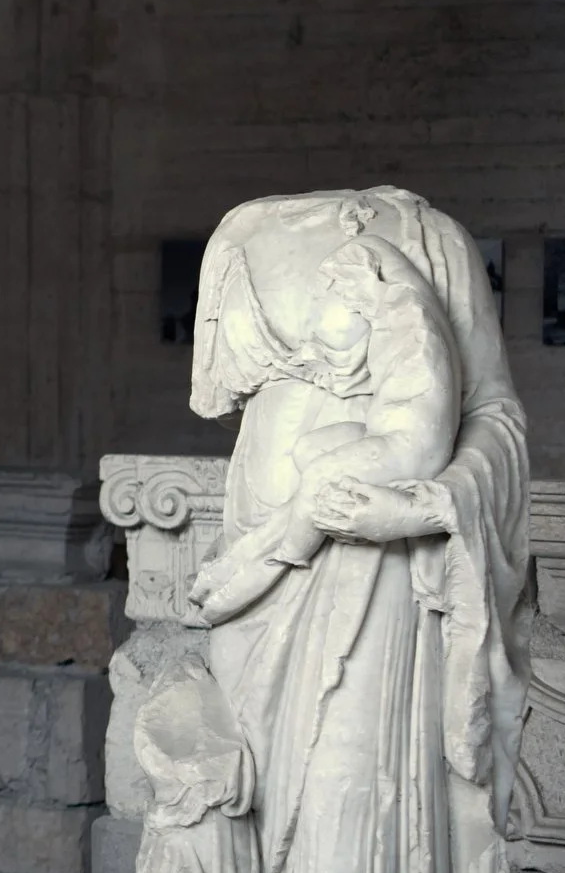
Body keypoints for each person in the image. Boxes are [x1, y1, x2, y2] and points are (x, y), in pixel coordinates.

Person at [161, 187, 527, 873]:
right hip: (264, 564)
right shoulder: (239, 231)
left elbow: (497, 422)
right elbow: (231, 408)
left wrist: (425, 506)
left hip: (372, 565)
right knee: (263, 800)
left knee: (346, 799)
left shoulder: (430, 239)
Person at [186, 234, 459, 625]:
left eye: (342, 288)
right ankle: (265, 542)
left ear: (366, 277)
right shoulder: (389, 312)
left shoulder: (408, 316)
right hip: (381, 430)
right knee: (310, 450)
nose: (340, 298)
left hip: (411, 444)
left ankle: (275, 565)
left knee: (319, 478)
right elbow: (353, 368)